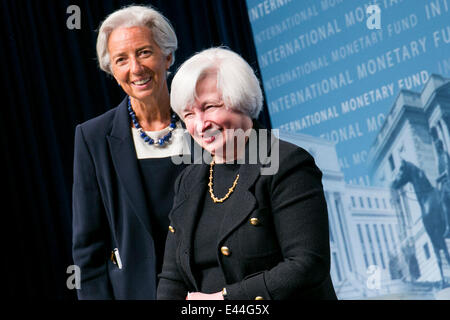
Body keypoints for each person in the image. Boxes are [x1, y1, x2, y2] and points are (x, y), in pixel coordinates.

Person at [157, 47, 337, 300]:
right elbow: (172, 278)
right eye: (188, 114)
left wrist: (225, 300)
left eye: (209, 107)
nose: (200, 124)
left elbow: (306, 265)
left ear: (242, 101)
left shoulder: (286, 162)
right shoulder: (188, 181)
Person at [72, 5, 187, 299]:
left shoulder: (204, 121)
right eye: (121, 59)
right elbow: (89, 249)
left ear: (168, 55)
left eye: (144, 52)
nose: (135, 68)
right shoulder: (92, 137)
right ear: (112, 70)